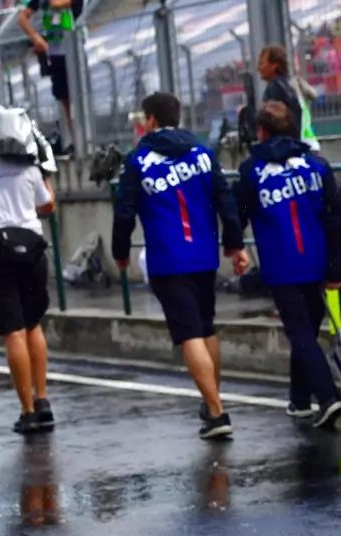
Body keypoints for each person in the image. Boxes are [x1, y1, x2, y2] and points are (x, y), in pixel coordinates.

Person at [112, 92, 249, 440]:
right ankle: (212, 401)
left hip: (167, 258)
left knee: (189, 334)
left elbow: (124, 210)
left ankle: (217, 412)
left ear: (151, 120)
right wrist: (235, 245)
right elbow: (225, 200)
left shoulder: (139, 160)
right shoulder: (203, 154)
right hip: (204, 256)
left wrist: (121, 250)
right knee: (206, 329)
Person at [234, 100, 341, 429]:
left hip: (282, 265)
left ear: (261, 131)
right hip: (317, 260)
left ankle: (328, 397)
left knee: (301, 333)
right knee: (307, 331)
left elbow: (236, 214)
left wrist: (233, 245)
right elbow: (335, 218)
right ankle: (299, 399)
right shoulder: (318, 165)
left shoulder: (251, 170)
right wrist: (335, 267)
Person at [0, 109, 56, 435]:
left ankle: (27, 411)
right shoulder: (28, 164)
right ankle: (43, 400)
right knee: (34, 325)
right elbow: (48, 205)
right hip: (32, 246)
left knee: (13, 331)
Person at [17, 0, 83, 156]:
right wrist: (36, 38)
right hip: (55, 51)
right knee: (64, 98)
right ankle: (75, 141)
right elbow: (22, 18)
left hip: (72, 48)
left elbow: (58, 3)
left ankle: (82, 140)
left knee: (77, 97)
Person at [257, 45, 319, 151]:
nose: (258, 68)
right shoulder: (292, 82)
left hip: (294, 149)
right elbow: (313, 95)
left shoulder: (275, 87)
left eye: (262, 63)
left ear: (274, 65)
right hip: (309, 144)